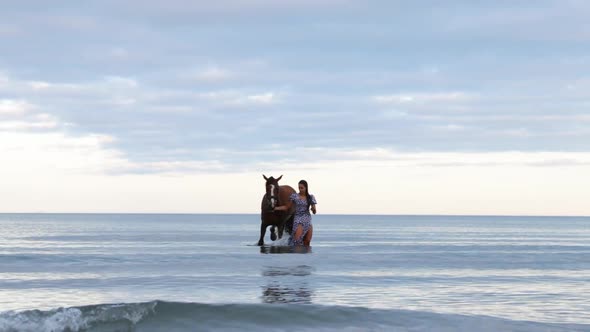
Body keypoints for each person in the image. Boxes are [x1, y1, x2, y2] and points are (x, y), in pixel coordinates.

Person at [274, 180, 317, 246]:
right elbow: (286, 207)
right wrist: (276, 208)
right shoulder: (295, 196)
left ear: (306, 188)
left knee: (307, 241)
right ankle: (295, 254)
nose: (300, 189)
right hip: (298, 219)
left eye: (302, 188)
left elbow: (314, 211)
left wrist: (313, 209)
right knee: (297, 241)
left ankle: (306, 255)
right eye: (299, 188)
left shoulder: (311, 197)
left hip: (308, 219)